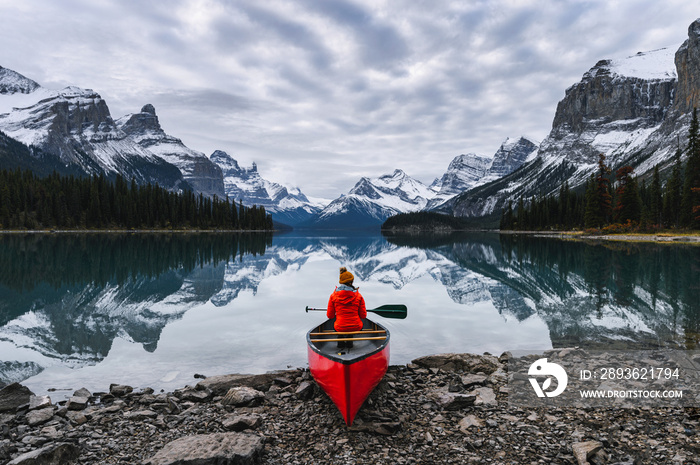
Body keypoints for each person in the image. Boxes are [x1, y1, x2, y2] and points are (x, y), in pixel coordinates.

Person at [327, 266, 367, 347]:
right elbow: (363, 315)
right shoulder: (359, 296)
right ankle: (350, 343)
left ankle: (340, 343)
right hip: (356, 327)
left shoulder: (333, 296)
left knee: (338, 325)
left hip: (339, 327)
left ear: (341, 282)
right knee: (354, 325)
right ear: (352, 282)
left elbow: (330, 316)